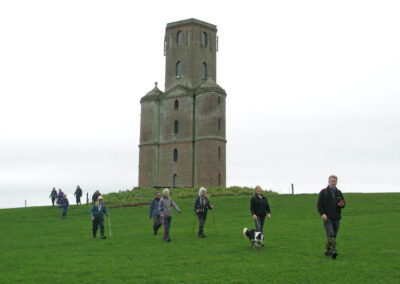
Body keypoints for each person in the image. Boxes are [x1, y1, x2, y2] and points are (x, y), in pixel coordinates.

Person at [317, 175, 345, 259]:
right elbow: (319, 205)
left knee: (334, 235)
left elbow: (343, 203)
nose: (333, 183)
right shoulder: (323, 192)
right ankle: (333, 251)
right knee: (331, 233)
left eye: (334, 181)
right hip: (327, 217)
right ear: (328, 181)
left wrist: (342, 204)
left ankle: (327, 250)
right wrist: (322, 214)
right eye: (332, 181)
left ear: (336, 182)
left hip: (337, 217)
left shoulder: (339, 192)